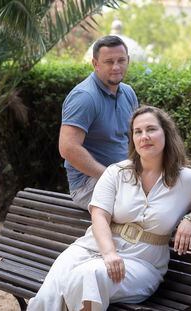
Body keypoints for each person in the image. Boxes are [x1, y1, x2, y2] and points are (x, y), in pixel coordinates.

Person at [27, 106, 191, 311]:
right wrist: (109, 253)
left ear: (166, 133)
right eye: (138, 132)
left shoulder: (188, 179)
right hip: (91, 247)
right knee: (47, 297)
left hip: (141, 263)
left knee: (89, 276)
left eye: (151, 129)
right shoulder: (116, 172)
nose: (144, 136)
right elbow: (99, 215)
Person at [59, 35, 139, 209]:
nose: (116, 67)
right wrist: (112, 177)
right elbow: (68, 148)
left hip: (125, 177)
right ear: (95, 64)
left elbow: (135, 139)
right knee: (146, 205)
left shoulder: (128, 93)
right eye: (109, 62)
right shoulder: (85, 97)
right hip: (88, 185)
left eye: (121, 60)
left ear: (128, 61)